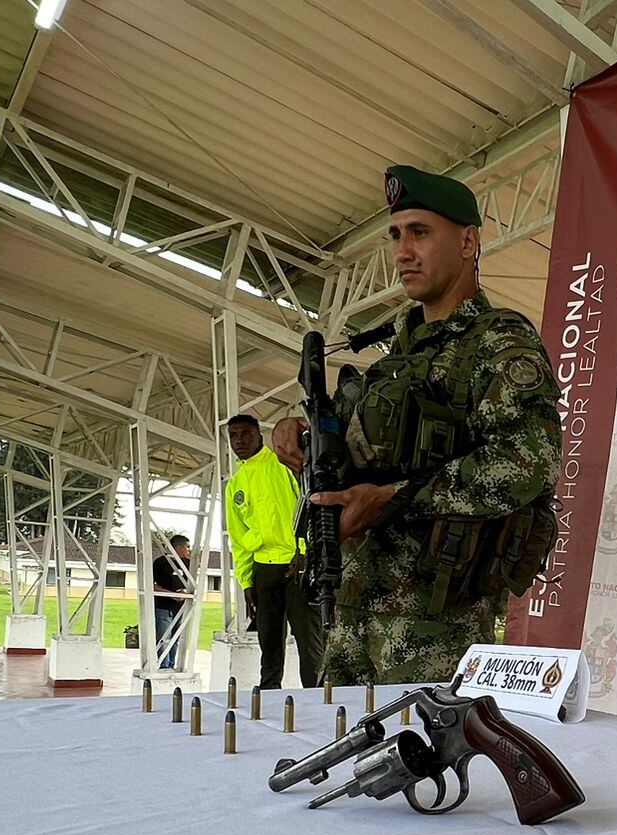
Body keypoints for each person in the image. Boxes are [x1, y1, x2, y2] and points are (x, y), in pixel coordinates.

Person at [271, 165, 560, 685]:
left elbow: (530, 463)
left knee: (426, 759)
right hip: (353, 610)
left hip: (434, 625)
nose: (402, 252)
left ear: (469, 242)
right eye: (396, 235)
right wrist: (302, 436)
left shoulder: (497, 343)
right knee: (343, 758)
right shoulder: (398, 353)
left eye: (420, 232)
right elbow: (373, 452)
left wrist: (396, 497)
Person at [224, 413, 325, 688]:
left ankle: (317, 698)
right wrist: (246, 581)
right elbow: (239, 538)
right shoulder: (235, 485)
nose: (239, 441)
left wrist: (305, 552)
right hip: (263, 569)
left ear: (259, 435)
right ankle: (268, 697)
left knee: (309, 642)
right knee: (268, 641)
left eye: (245, 434)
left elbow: (310, 508)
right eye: (233, 436)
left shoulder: (283, 465)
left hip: (298, 564)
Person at [151, 533, 191, 671]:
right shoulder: (160, 563)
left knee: (175, 639)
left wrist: (185, 592)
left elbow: (192, 584)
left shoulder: (188, 564)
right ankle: (162, 665)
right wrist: (170, 594)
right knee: (164, 638)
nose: (188, 550)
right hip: (163, 606)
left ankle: (171, 664)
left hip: (180, 608)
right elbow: (151, 584)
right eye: (187, 547)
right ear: (178, 547)